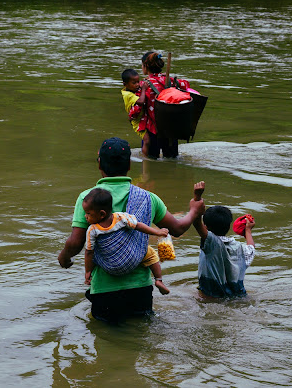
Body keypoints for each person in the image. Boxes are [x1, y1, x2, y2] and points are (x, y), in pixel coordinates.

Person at [58, 137, 205, 324]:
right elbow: (176, 228)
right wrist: (194, 210)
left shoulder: (87, 199)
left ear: (99, 164)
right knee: (141, 338)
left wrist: (64, 257)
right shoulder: (148, 198)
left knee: (106, 343)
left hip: (104, 289)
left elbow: (76, 242)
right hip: (140, 288)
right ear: (129, 164)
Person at [82, 187, 171, 295]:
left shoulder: (92, 230)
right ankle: (158, 280)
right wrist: (157, 232)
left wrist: (88, 271)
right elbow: (138, 225)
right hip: (133, 255)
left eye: (88, 214)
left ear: (102, 214)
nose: (85, 217)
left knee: (96, 255)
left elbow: (89, 252)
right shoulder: (121, 217)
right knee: (151, 254)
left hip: (109, 262)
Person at [191, 181, 256, 298]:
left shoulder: (211, 243)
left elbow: (196, 222)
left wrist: (197, 198)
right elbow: (251, 248)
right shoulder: (240, 248)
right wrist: (248, 230)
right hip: (238, 296)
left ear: (205, 227)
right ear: (228, 226)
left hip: (213, 297)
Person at [141, 51, 198, 159]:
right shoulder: (171, 81)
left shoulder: (144, 84)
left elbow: (139, 104)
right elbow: (186, 85)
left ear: (145, 66)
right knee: (172, 160)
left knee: (150, 161)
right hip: (171, 128)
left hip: (153, 129)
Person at [120, 68, 151, 156]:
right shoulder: (127, 95)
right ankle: (146, 159)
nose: (137, 85)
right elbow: (141, 101)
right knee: (147, 140)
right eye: (134, 83)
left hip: (141, 116)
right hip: (137, 121)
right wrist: (144, 89)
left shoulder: (131, 89)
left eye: (138, 82)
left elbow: (142, 82)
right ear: (125, 84)